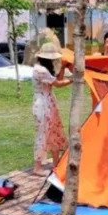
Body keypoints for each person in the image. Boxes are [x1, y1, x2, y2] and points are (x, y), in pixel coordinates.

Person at [32, 42, 70, 176]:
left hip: (49, 103)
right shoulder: (40, 70)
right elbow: (58, 83)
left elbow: (57, 78)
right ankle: (37, 167)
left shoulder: (45, 69)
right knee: (43, 134)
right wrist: (73, 80)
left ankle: (56, 163)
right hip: (42, 105)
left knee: (55, 130)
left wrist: (64, 67)